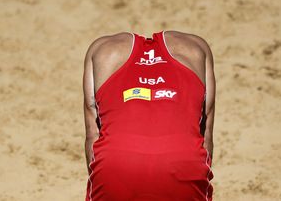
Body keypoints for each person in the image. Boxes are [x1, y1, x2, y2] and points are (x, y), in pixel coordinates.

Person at [82, 30, 216, 200]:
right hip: (183, 163)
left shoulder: (101, 50)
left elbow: (92, 135)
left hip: (116, 165)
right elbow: (206, 137)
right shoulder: (198, 49)